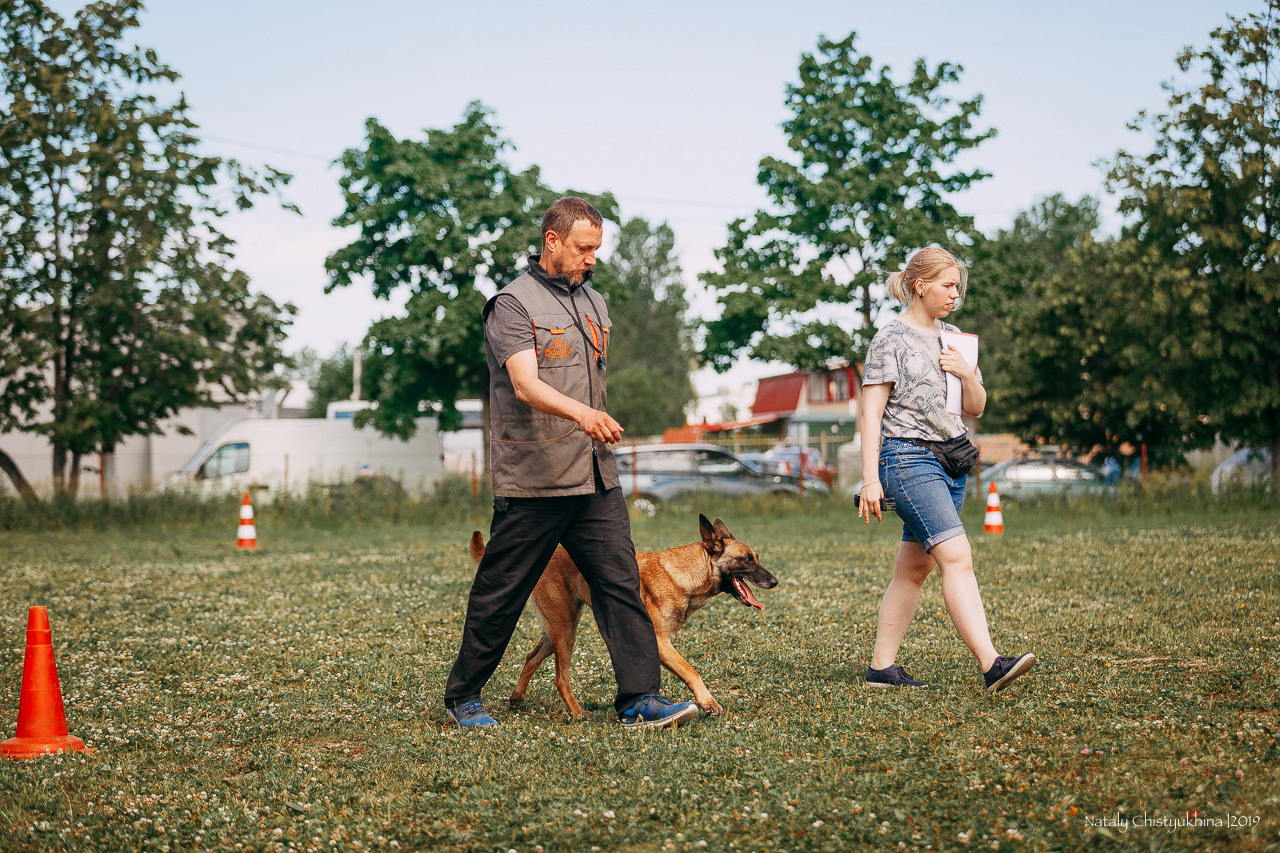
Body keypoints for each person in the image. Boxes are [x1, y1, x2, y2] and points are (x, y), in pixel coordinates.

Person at [442, 197, 699, 729]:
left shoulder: (594, 303)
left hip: (594, 475)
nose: (591, 258)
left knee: (620, 584)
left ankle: (638, 699)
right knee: (502, 588)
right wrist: (585, 414)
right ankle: (464, 696)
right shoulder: (512, 304)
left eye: (597, 249)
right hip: (534, 480)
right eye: (584, 247)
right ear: (551, 241)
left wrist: (593, 424)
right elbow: (524, 383)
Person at [857, 246, 1036, 693]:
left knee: (913, 569)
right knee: (957, 557)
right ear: (920, 286)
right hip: (907, 458)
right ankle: (991, 663)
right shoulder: (890, 339)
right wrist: (870, 480)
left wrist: (966, 373)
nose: (956, 295)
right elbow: (870, 413)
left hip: (952, 460)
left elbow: (975, 406)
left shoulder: (955, 337)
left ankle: (881, 668)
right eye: (948, 285)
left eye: (958, 286)